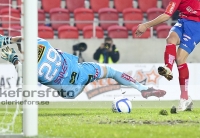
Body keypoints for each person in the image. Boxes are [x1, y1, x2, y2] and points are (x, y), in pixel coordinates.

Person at [0, 35, 166, 99]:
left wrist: (14, 58)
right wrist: (11, 41)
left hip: (69, 91)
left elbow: (22, 76)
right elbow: (23, 39)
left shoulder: (30, 68)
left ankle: (142, 88)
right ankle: (142, 88)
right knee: (111, 71)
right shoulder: (43, 42)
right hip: (79, 72)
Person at [135, 0, 200, 111]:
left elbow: (166, 15)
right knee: (170, 39)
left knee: (180, 59)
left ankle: (185, 98)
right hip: (184, 20)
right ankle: (168, 68)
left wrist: (145, 25)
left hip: (196, 24)